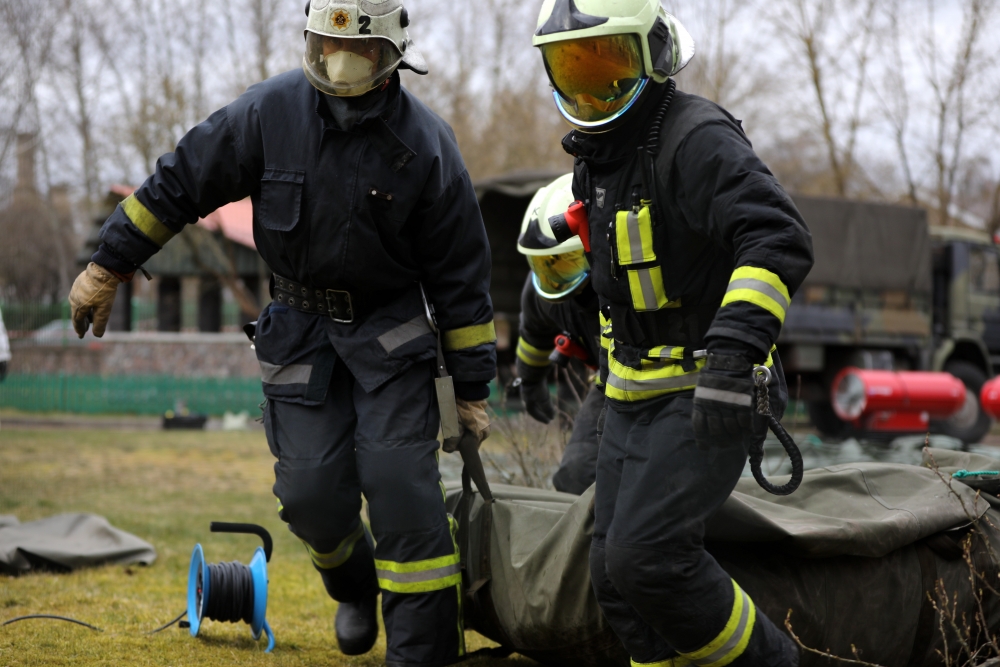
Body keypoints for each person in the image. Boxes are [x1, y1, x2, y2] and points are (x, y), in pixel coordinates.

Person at [67, 2, 496, 665]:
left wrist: (471, 388)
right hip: (299, 329)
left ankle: (422, 651)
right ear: (310, 44)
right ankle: (354, 587)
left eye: (359, 55)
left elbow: (464, 277)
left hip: (392, 335)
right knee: (309, 494)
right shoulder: (268, 113)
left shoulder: (427, 145)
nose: (342, 66)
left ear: (391, 60)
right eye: (328, 49)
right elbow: (181, 180)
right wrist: (108, 261)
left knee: (402, 489)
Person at [533, 1, 814, 665]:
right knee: (613, 576)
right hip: (626, 400)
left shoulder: (696, 137)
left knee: (652, 561)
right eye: (574, 67)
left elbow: (778, 236)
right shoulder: (597, 158)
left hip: (699, 393)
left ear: (654, 54)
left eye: (610, 64)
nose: (592, 88)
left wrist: (732, 360)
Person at [515, 173, 605, 495]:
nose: (553, 279)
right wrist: (531, 381)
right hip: (613, 385)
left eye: (564, 264)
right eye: (544, 266)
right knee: (575, 478)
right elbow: (534, 338)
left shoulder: (624, 286)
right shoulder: (542, 294)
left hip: (681, 379)